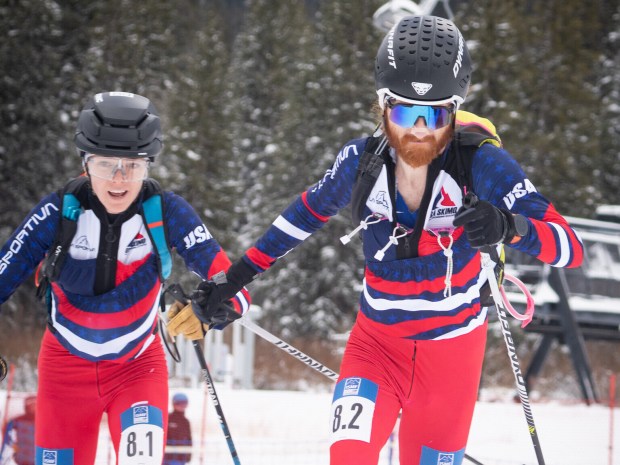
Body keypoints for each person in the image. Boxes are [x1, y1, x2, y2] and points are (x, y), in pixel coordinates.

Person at [186, 15, 584, 465]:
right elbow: (302, 216)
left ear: (454, 112)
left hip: (451, 360)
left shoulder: (482, 164)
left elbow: (569, 247)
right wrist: (233, 279)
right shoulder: (361, 163)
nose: (418, 130)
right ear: (382, 106)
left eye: (434, 115)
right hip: (375, 348)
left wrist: (509, 226)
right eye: (403, 113)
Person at [0, 91, 250, 465]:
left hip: (138, 368)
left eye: (133, 166)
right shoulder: (56, 213)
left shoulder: (166, 212)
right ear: (85, 165)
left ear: (148, 165)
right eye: (104, 165)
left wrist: (213, 306)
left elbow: (234, 284)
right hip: (64, 373)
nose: (118, 179)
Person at [0, 396, 36, 465]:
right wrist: (12, 444)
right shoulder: (18, 420)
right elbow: (6, 433)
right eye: (31, 405)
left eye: (35, 405)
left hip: (35, 455)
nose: (33, 408)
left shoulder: (42, 422)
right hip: (21, 455)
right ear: (26, 406)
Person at [163, 393, 192, 465]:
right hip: (167, 458)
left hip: (181, 458)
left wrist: (189, 454)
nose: (182, 406)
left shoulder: (186, 421)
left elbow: (189, 439)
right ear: (174, 404)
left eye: (184, 403)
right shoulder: (167, 418)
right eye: (179, 403)